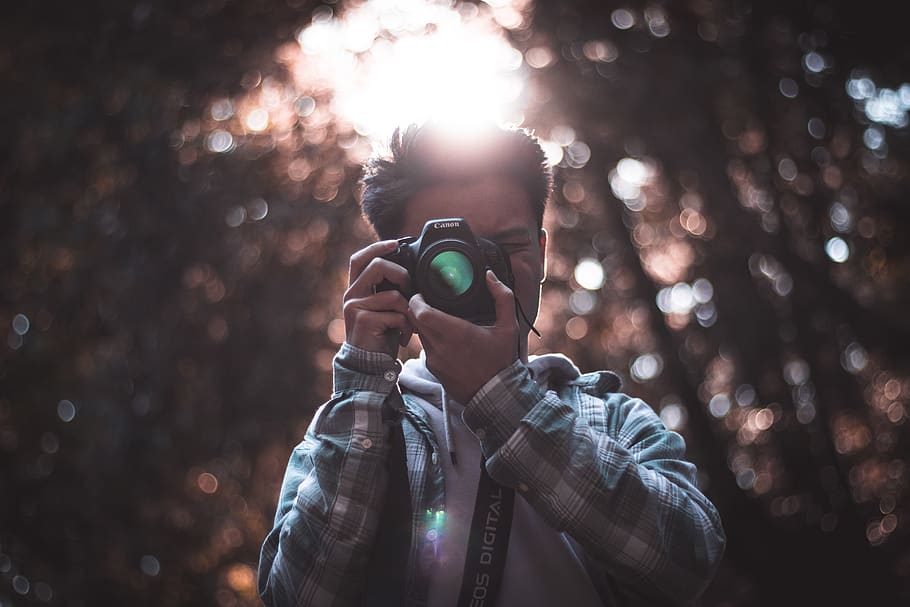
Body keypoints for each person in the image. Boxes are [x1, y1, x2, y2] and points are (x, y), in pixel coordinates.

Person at [258, 122, 726, 607]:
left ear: (542, 255)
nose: (480, 276)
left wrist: (501, 397)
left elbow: (688, 562)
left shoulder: (612, 419)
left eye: (505, 249)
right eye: (447, 256)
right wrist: (362, 380)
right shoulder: (359, 424)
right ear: (396, 268)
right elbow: (296, 597)